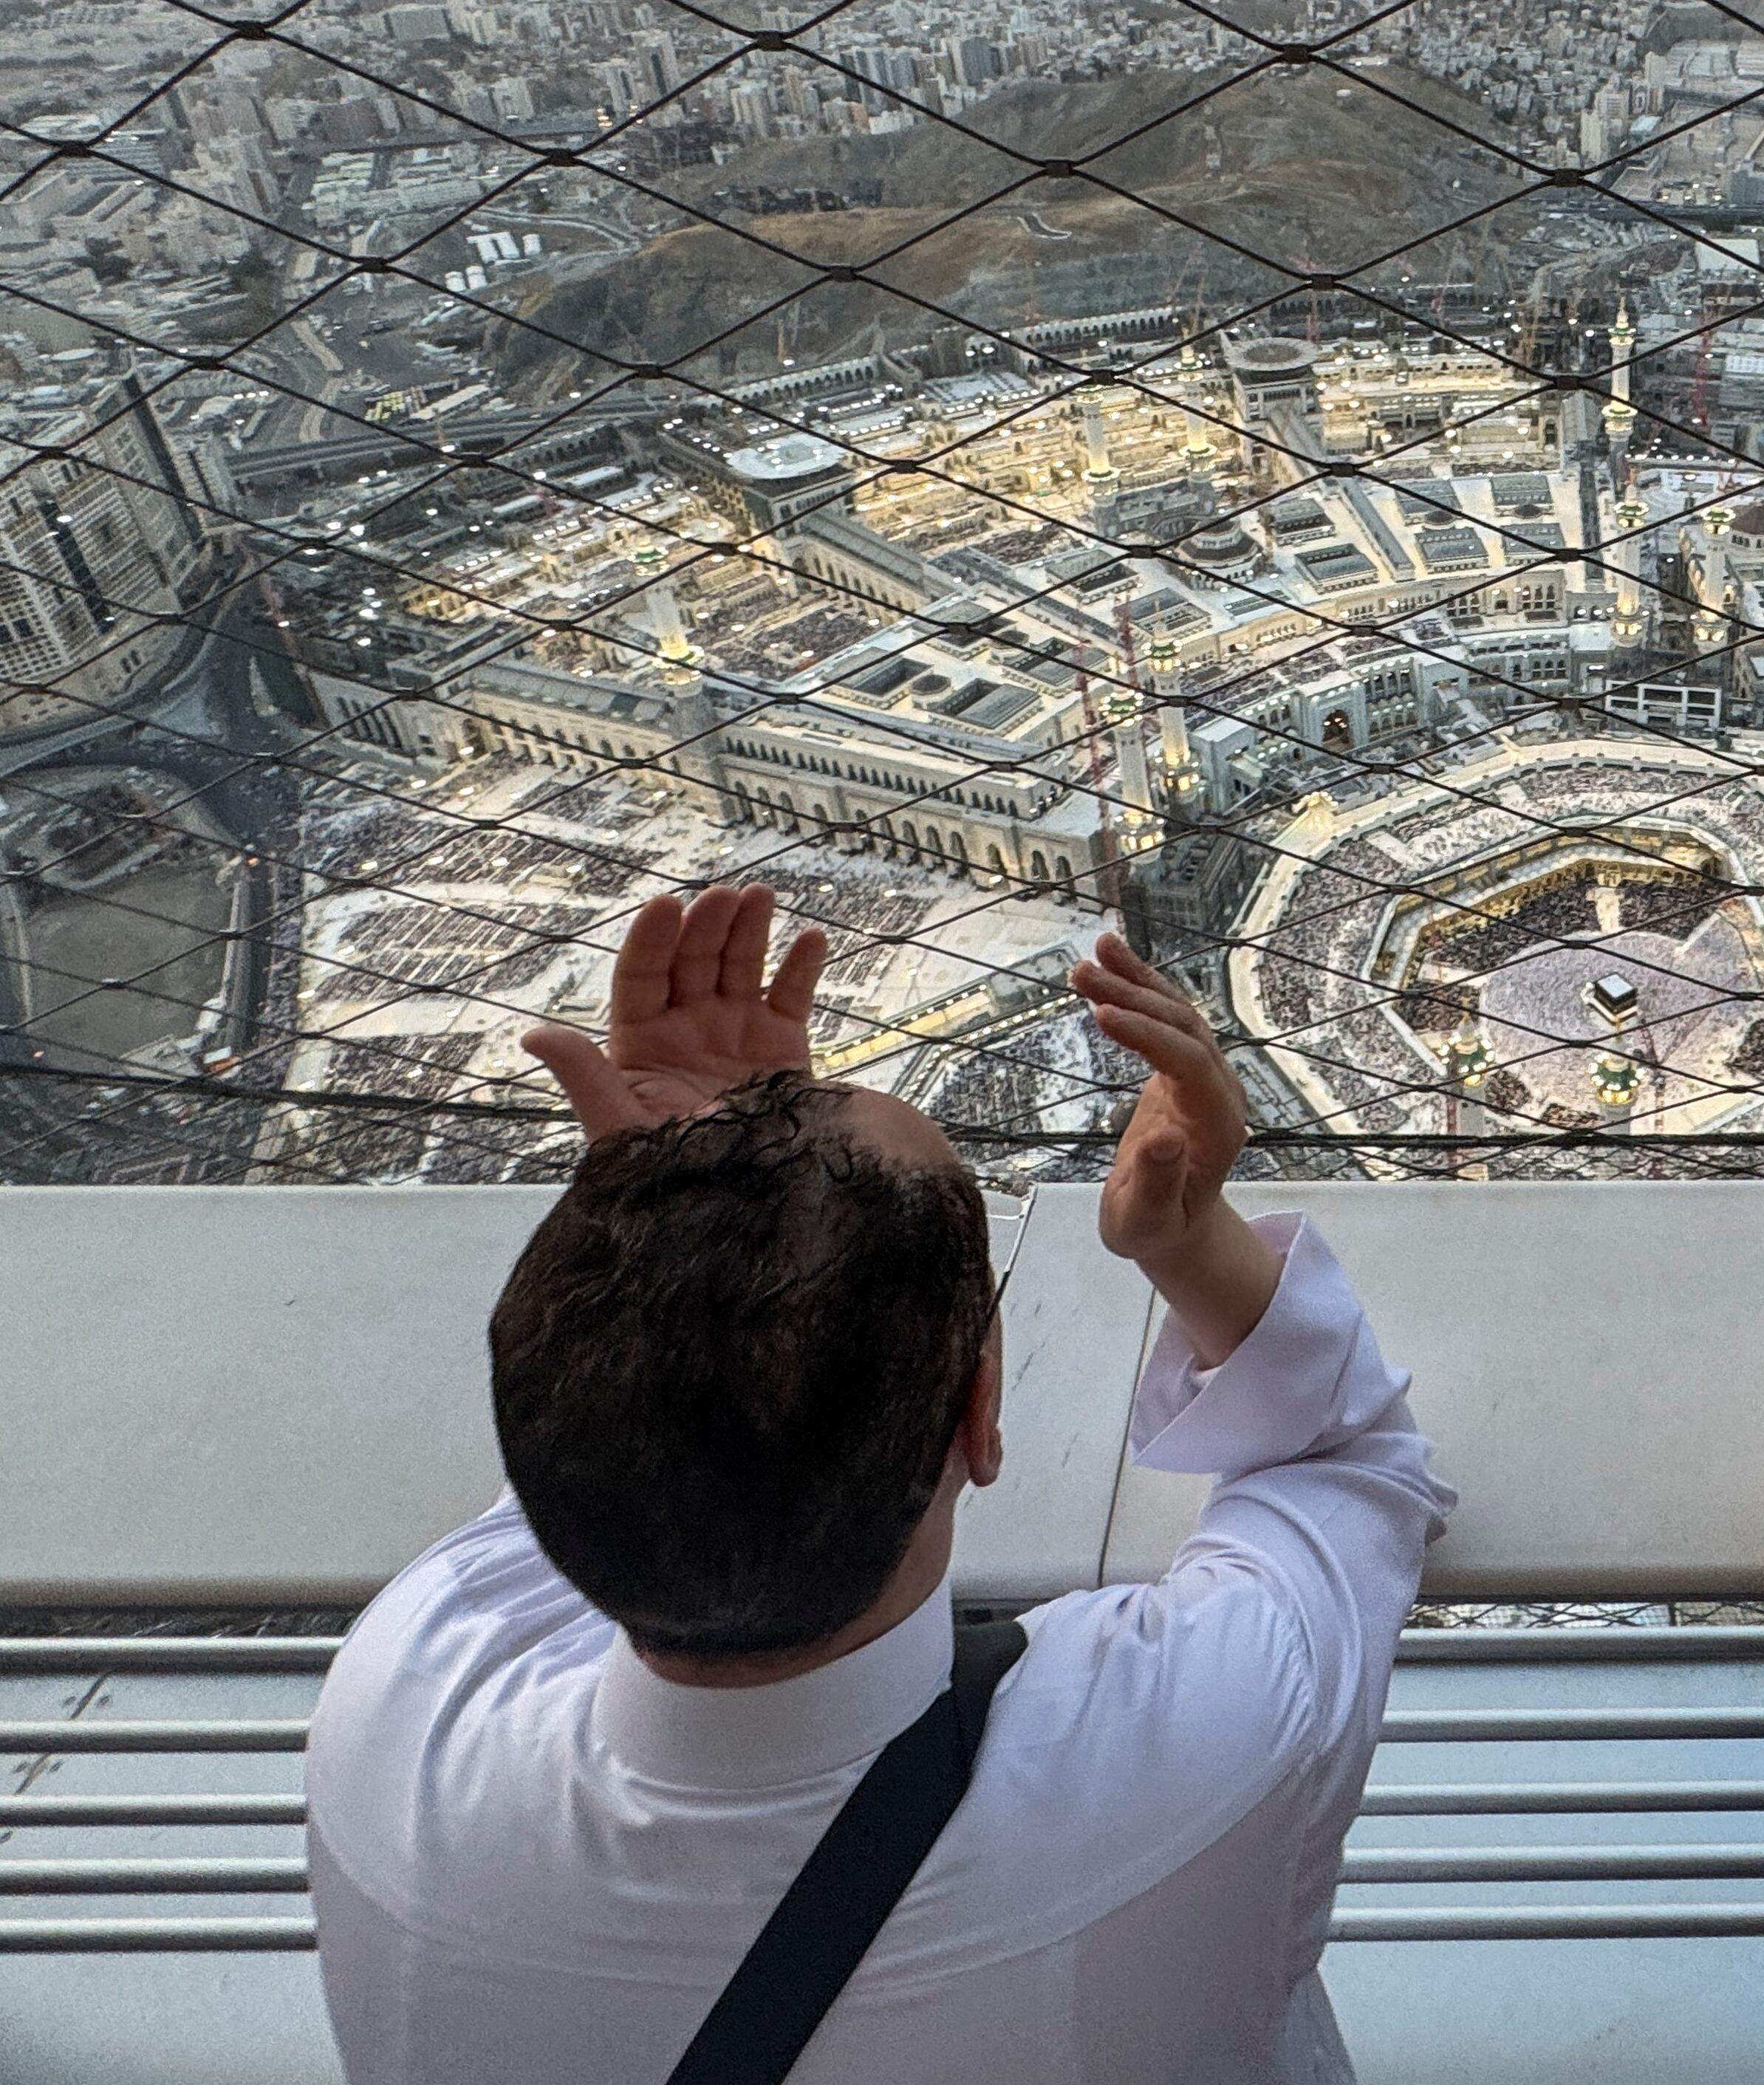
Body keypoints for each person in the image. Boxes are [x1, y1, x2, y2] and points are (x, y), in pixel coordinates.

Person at [307, 883, 1453, 2083]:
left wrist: (682, 1233)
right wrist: (1187, 1235)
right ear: (981, 1413)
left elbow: (611, 1433)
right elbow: (1351, 1456)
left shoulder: (395, 1728)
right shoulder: (1196, 1748)